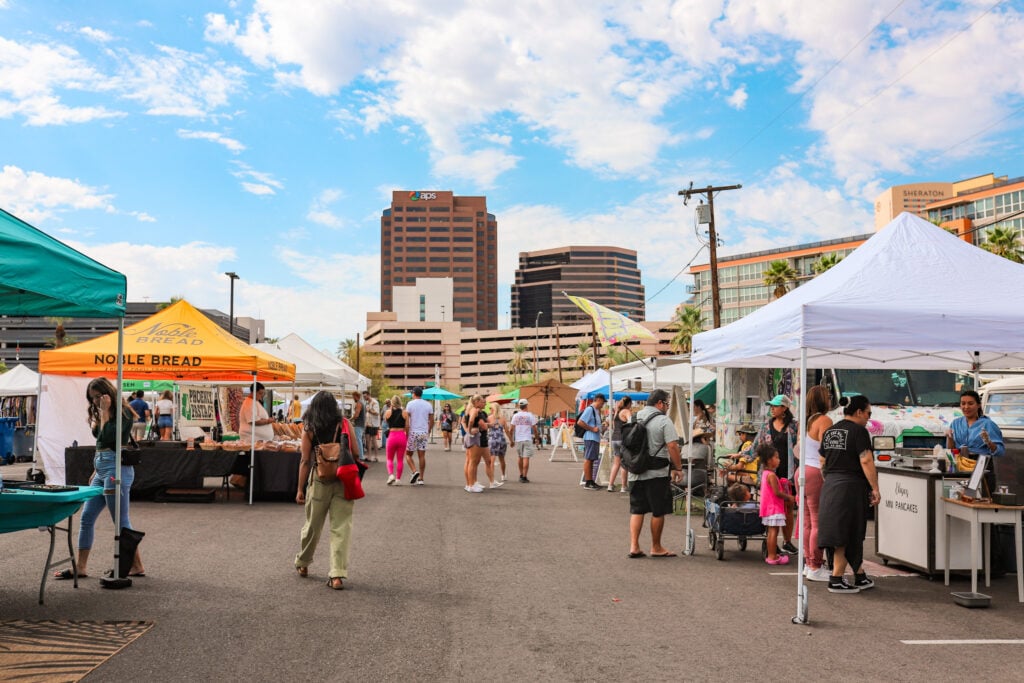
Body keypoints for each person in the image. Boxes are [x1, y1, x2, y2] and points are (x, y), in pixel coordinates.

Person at [55, 377, 144, 580]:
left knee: (120, 520)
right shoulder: (103, 412)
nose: (95, 401)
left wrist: (104, 413)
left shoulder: (124, 414)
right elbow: (99, 443)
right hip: (103, 466)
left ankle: (135, 565)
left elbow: (107, 437)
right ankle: (81, 566)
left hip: (116, 469)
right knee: (87, 517)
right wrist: (96, 469)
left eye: (98, 396)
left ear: (108, 393)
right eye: (92, 398)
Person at [294, 391, 359, 590]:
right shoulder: (345, 424)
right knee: (341, 527)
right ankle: (337, 575)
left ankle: (303, 563)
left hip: (319, 481)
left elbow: (305, 460)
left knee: (312, 525)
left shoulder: (309, 427)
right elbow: (356, 452)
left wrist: (300, 489)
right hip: (343, 479)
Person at [817, 395, 880, 594]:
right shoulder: (859, 432)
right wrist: (875, 488)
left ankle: (859, 576)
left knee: (841, 532)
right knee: (847, 534)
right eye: (868, 413)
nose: (869, 418)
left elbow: (822, 461)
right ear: (859, 412)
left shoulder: (830, 431)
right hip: (851, 487)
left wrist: (831, 480)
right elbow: (866, 460)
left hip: (831, 485)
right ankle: (836, 579)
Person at [627, 389, 683, 558]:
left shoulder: (634, 417)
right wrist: (678, 468)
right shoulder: (663, 420)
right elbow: (672, 446)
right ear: (659, 403)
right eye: (666, 403)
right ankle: (656, 547)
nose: (667, 407)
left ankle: (634, 546)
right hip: (656, 473)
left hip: (635, 471)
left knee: (637, 509)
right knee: (658, 510)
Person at [745, 394, 798, 554]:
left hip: (788, 472)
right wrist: (742, 456)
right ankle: (772, 542)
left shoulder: (794, 426)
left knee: (788, 508)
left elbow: (800, 448)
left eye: (775, 406)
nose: (772, 409)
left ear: (785, 408)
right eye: (771, 406)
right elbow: (755, 447)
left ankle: (787, 542)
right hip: (769, 474)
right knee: (771, 509)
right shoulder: (765, 426)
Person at [802, 385, 832, 582]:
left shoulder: (806, 420)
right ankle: (815, 565)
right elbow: (827, 450)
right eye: (828, 396)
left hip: (802, 470)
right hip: (816, 472)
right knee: (818, 522)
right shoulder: (824, 420)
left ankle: (807, 563)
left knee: (806, 521)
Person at [946, 389, 1004, 493]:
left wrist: (989, 442)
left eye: (970, 403)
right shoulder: (955, 423)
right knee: (960, 500)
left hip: (982, 467)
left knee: (980, 501)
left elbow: (1000, 451)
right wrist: (949, 438)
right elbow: (951, 450)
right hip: (960, 468)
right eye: (963, 403)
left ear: (978, 405)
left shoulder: (988, 424)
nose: (966, 407)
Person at [759, 444, 795, 565]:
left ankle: (771, 555)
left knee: (771, 532)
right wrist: (789, 497)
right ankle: (773, 556)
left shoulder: (765, 473)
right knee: (774, 531)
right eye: (777, 457)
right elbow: (776, 492)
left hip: (768, 507)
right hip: (774, 507)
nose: (779, 460)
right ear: (769, 460)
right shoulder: (772, 475)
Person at [404, 386, 433, 485]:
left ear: (414, 394)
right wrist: (428, 431)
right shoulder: (428, 404)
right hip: (423, 432)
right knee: (422, 456)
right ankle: (421, 478)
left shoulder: (410, 404)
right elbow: (431, 420)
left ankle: (414, 471)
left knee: (408, 454)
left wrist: (407, 432)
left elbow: (407, 421)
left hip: (413, 432)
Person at [578, 394, 606, 490]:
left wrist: (601, 427)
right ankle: (588, 482)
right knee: (589, 459)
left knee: (592, 459)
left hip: (594, 438)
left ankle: (590, 481)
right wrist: (592, 429)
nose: (603, 404)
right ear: (598, 400)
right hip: (590, 437)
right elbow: (580, 422)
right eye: (602, 402)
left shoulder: (596, 411)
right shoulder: (590, 409)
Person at [463, 395, 490, 492]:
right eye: (482, 401)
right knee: (473, 462)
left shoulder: (469, 409)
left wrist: (467, 431)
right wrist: (469, 431)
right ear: (477, 402)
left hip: (471, 436)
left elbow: (464, 421)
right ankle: (471, 485)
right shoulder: (474, 410)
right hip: (474, 437)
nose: (484, 403)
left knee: (470, 461)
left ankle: (470, 484)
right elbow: (470, 421)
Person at [510, 398, 539, 483]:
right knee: (526, 458)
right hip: (527, 438)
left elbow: (511, 429)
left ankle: (521, 474)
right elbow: (534, 428)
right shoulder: (530, 415)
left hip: (518, 439)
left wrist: (511, 440)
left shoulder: (515, 416)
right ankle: (524, 476)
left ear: (519, 406)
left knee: (520, 457)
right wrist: (537, 438)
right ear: (526, 405)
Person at [608, 396, 633, 493]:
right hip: (623, 439)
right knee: (624, 464)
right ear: (629, 404)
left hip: (614, 439)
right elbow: (632, 422)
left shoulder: (616, 413)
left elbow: (614, 427)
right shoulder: (626, 411)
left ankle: (610, 485)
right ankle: (623, 486)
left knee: (616, 463)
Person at [383, 395, 409, 485]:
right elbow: (407, 426)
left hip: (392, 436)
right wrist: (407, 436)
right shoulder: (405, 412)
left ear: (391, 402)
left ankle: (391, 475)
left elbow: (386, 421)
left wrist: (391, 409)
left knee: (389, 458)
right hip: (402, 436)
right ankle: (398, 479)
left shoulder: (387, 412)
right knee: (400, 460)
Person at [488, 405, 510, 484]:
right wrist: (511, 440)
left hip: (493, 439)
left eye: (490, 408)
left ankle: (492, 478)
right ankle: (503, 475)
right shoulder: (503, 418)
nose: (489, 409)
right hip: (501, 440)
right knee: (502, 459)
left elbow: (485, 428)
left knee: (492, 460)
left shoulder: (489, 418)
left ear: (493, 409)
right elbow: (507, 431)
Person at [363, 390, 381, 462]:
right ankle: (369, 456)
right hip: (368, 423)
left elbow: (377, 413)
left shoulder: (375, 402)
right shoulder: (367, 403)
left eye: (365, 396)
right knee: (367, 440)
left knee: (373, 440)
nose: (364, 397)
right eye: (363, 396)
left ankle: (376, 457)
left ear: (368, 395)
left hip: (373, 424)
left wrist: (369, 410)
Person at [350, 391, 366, 463]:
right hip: (361, 424)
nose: (353, 398)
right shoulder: (362, 403)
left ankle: (360, 456)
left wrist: (349, 419)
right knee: (359, 440)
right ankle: (361, 455)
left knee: (358, 440)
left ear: (356, 396)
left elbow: (356, 415)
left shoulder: (359, 403)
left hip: (358, 424)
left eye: (353, 396)